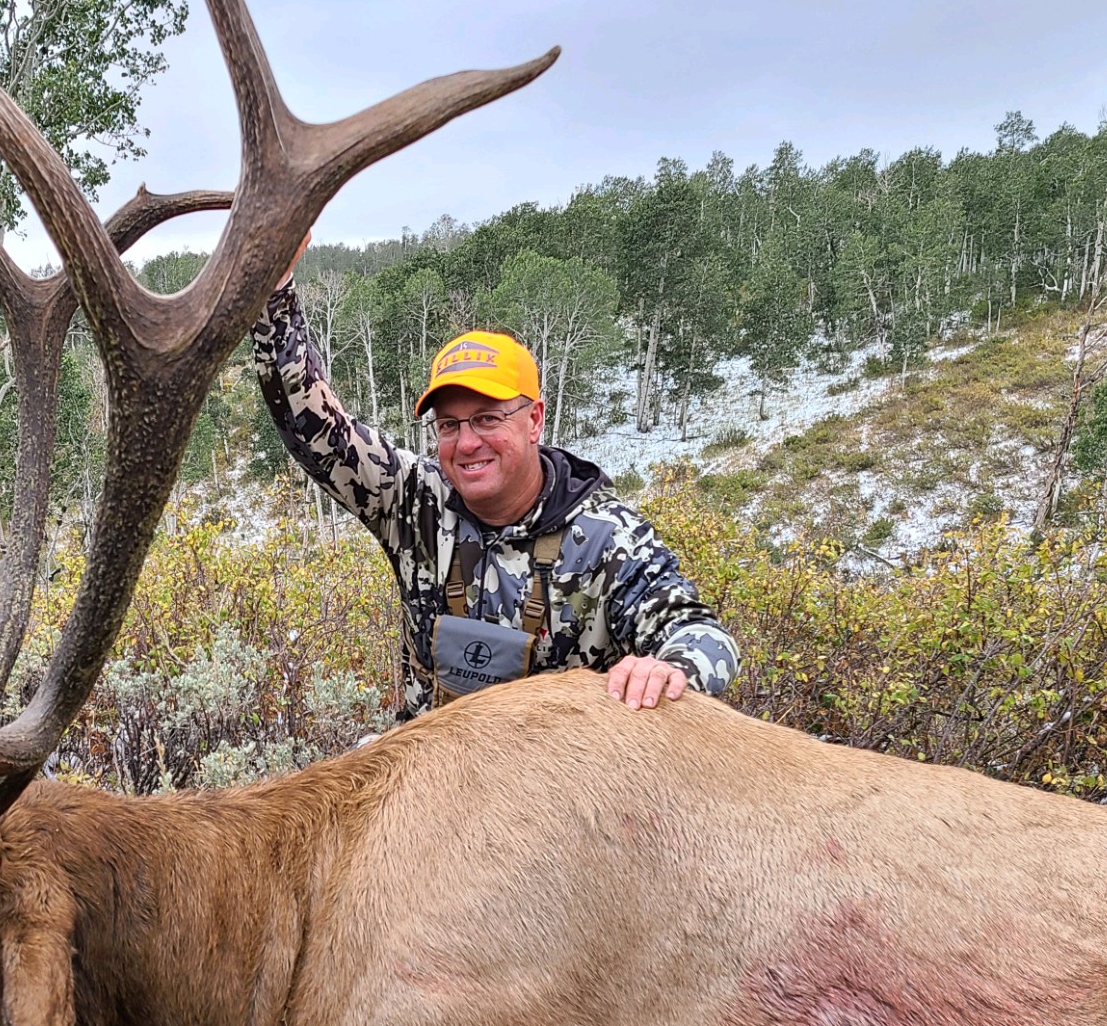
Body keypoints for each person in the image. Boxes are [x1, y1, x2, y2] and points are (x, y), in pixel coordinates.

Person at [251, 262, 740, 720]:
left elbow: (704, 635)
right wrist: (274, 291)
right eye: (449, 425)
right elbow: (314, 428)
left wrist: (671, 668)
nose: (466, 443)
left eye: (488, 419)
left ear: (534, 420)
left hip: (551, 797)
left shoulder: (607, 540)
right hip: (430, 780)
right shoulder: (412, 500)